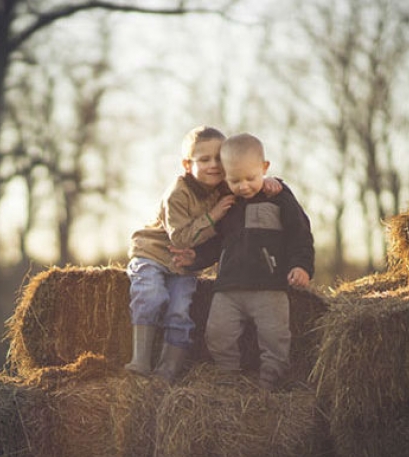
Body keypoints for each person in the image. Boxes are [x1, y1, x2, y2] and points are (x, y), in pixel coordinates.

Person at [125, 126, 281, 381]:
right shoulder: (177, 193)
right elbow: (180, 239)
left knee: (180, 311)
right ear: (187, 165)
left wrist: (270, 182)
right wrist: (213, 215)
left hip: (184, 264)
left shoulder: (226, 187)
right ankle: (140, 361)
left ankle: (167, 371)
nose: (214, 165)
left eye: (219, 159)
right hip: (152, 253)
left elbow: (249, 180)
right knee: (152, 295)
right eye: (204, 159)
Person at [175, 132, 314, 390]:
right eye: (235, 180)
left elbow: (300, 234)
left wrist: (302, 266)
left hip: (269, 287)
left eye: (251, 178)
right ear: (225, 176)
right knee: (217, 334)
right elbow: (219, 243)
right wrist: (196, 257)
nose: (244, 186)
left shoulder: (279, 197)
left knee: (275, 338)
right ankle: (228, 377)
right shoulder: (227, 204)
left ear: (265, 168)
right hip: (229, 289)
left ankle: (270, 383)